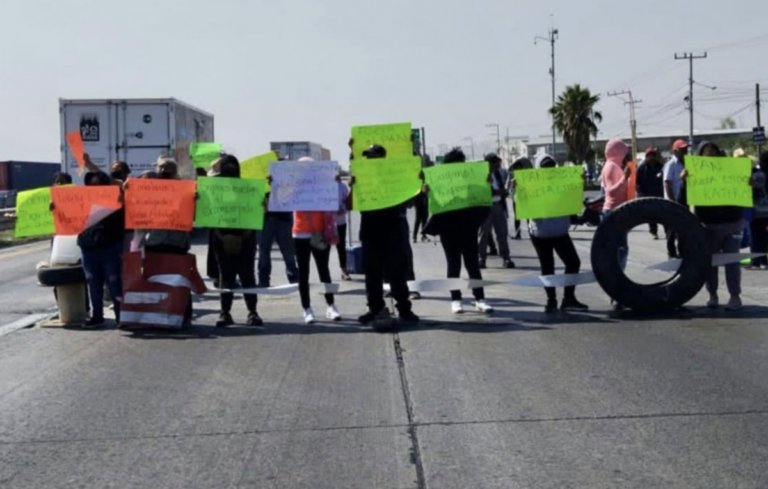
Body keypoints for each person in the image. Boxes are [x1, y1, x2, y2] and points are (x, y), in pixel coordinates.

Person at [348, 143, 419, 328]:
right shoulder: (362, 179)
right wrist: (353, 187)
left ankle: (404, 309)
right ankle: (375, 308)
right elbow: (348, 205)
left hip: (392, 229)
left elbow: (409, 203)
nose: (369, 160)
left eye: (373, 156)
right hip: (370, 230)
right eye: (367, 157)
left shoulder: (394, 178)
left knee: (397, 273)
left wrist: (417, 185)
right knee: (372, 274)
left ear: (382, 159)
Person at [423, 148, 494, 314]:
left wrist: (486, 183)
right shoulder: (440, 182)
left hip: (468, 227)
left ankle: (480, 299)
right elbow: (433, 202)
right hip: (448, 229)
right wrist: (425, 192)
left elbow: (483, 199)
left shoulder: (470, 181)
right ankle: (456, 300)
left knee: (472, 265)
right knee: (453, 265)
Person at [689, 141, 746, 311]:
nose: (710, 155)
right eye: (706, 152)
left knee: (732, 261)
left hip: (732, 222)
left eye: (712, 151)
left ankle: (735, 296)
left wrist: (749, 183)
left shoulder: (731, 169)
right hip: (709, 224)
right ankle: (712, 295)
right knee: (711, 262)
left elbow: (751, 189)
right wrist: (686, 181)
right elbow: (683, 199)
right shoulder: (696, 172)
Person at [528, 154, 589, 313]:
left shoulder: (561, 182)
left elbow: (574, 200)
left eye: (551, 167)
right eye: (546, 167)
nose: (549, 170)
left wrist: (580, 181)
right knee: (552, 265)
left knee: (566, 263)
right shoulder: (532, 184)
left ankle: (562, 299)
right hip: (544, 231)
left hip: (556, 230)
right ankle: (554, 300)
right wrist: (519, 188)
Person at [208, 155, 262, 327]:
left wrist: (244, 235)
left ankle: (252, 312)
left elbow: (255, 214)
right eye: (227, 167)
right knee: (226, 277)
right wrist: (223, 237)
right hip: (220, 239)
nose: (230, 170)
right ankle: (225, 313)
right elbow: (209, 216)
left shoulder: (248, 189)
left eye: (233, 167)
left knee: (247, 276)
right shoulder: (213, 189)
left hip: (246, 239)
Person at [287, 157, 342, 324]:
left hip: (320, 233)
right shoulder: (292, 186)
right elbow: (280, 199)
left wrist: (335, 184)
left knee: (324, 271)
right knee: (303, 273)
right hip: (300, 233)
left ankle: (331, 306)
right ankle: (307, 308)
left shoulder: (323, 185)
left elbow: (337, 203)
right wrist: (275, 183)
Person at [141, 158, 194, 325]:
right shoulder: (148, 190)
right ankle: (156, 315)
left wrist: (195, 199)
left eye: (169, 167)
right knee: (155, 281)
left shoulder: (186, 189)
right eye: (162, 167)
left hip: (178, 243)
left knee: (180, 282)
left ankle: (184, 315)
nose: (165, 170)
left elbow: (195, 215)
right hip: (155, 242)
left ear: (175, 171)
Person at [76, 171, 125, 328]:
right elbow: (68, 215)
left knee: (114, 282)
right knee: (93, 283)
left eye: (99, 184)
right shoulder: (81, 201)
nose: (95, 188)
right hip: (88, 247)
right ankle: (97, 316)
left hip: (110, 247)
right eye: (91, 185)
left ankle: (120, 316)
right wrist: (56, 209)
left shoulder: (117, 199)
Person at [600, 139, 632, 310]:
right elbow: (611, 191)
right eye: (623, 151)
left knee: (619, 251)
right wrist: (625, 179)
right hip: (614, 211)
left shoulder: (613, 165)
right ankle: (616, 291)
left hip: (617, 210)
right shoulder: (611, 167)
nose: (626, 154)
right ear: (616, 151)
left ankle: (616, 291)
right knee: (619, 252)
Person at [258, 174, 299, 288]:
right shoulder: (262, 175)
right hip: (265, 219)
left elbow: (292, 195)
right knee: (264, 251)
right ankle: (264, 279)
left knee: (287, 250)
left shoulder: (286, 176)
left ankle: (294, 277)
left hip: (283, 218)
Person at [478, 153, 514, 269]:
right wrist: (495, 190)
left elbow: (503, 189)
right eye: (495, 164)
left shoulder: (499, 173)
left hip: (498, 205)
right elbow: (480, 191)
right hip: (485, 207)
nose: (497, 166)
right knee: (483, 234)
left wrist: (505, 190)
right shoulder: (480, 174)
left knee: (502, 234)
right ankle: (481, 259)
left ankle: (506, 258)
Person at [663, 140, 689, 258]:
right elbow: (667, 184)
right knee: (671, 230)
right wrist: (673, 201)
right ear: (675, 151)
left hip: (684, 201)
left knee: (683, 229)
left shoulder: (688, 163)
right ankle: (672, 253)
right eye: (682, 149)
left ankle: (683, 252)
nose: (685, 151)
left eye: (686, 148)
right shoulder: (671, 164)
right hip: (672, 202)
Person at [636, 147, 665, 239]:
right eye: (649, 156)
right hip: (647, 194)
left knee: (664, 214)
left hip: (659, 194)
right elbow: (637, 182)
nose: (651, 158)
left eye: (653, 155)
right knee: (651, 215)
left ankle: (668, 231)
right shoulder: (642, 168)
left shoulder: (660, 166)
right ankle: (653, 232)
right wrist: (640, 194)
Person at [748, 151, 768, 269]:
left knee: (755, 237)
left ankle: (756, 261)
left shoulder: (757, 175)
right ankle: (764, 261)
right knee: (765, 238)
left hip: (756, 211)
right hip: (766, 212)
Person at [336, 179, 352, 281]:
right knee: (324, 248)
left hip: (340, 221)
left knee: (341, 246)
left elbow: (347, 203)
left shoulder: (342, 186)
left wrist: (343, 209)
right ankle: (324, 277)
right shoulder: (323, 185)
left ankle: (344, 270)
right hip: (325, 222)